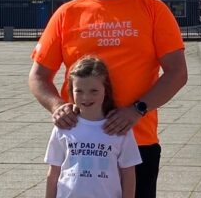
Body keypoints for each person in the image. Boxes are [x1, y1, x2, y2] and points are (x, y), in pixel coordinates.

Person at [30, 0, 188, 198]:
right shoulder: (67, 14)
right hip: (81, 144)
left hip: (138, 142)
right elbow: (38, 76)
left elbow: (177, 73)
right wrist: (57, 106)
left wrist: (137, 110)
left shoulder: (154, 10)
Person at [45, 56, 142, 198]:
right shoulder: (63, 126)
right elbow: (53, 173)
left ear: (105, 90)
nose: (86, 97)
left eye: (94, 91)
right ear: (71, 91)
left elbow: (128, 175)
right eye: (79, 91)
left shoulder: (119, 128)